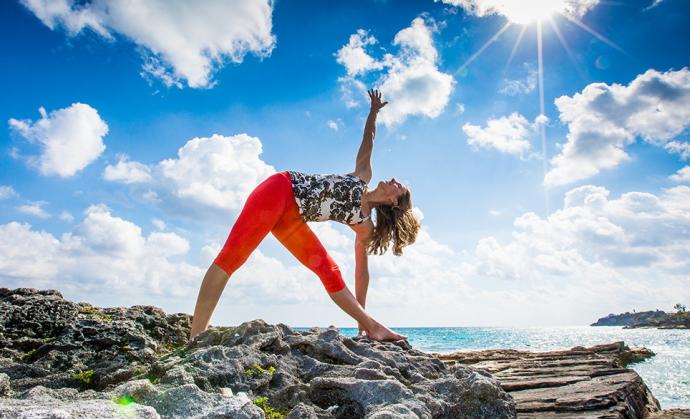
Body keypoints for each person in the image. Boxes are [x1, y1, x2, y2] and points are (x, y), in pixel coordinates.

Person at [189, 89, 421, 341]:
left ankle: (371, 327)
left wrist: (360, 317)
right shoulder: (363, 175)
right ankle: (196, 335)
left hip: (291, 217)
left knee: (329, 271)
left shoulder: (364, 225)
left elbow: (361, 272)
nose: (395, 180)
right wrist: (373, 112)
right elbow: (370, 138)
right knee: (231, 257)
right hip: (279, 189)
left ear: (395, 201)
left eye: (399, 186)